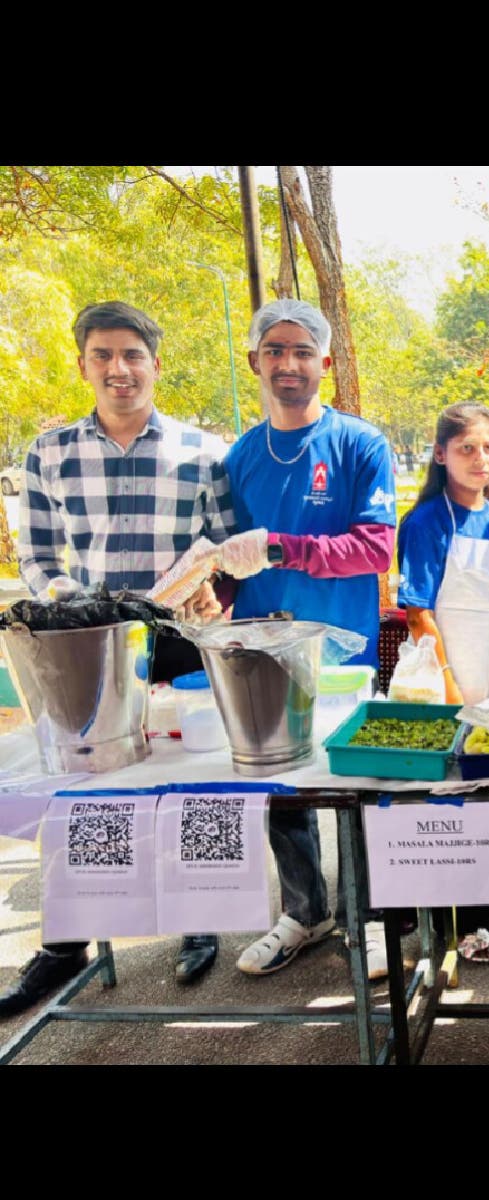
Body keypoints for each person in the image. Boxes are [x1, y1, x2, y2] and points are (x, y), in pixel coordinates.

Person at [3, 301, 236, 1018]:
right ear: (84, 366)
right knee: (81, 791)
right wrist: (76, 603)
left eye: (132, 355)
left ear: (155, 364)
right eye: (103, 355)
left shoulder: (203, 451)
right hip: (88, 645)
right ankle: (67, 942)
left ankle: (200, 917)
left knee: (194, 780)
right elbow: (37, 555)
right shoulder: (50, 453)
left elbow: (226, 549)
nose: (119, 369)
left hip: (177, 639)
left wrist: (215, 592)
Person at [217, 299, 397, 979]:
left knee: (354, 784)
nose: (287, 363)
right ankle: (304, 911)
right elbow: (229, 560)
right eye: (274, 350)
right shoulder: (240, 457)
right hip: (260, 650)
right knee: (279, 790)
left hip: (343, 649)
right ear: (255, 361)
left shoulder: (360, 444)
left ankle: (367, 914)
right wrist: (213, 593)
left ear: (325, 362)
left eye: (301, 351)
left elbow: (375, 548)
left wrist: (281, 547)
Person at [395, 401, 489, 962]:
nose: (479, 459)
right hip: (455, 674)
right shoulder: (426, 521)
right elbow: (418, 612)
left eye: (488, 448)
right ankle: (464, 921)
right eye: (466, 448)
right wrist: (448, 682)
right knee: (460, 797)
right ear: (441, 454)